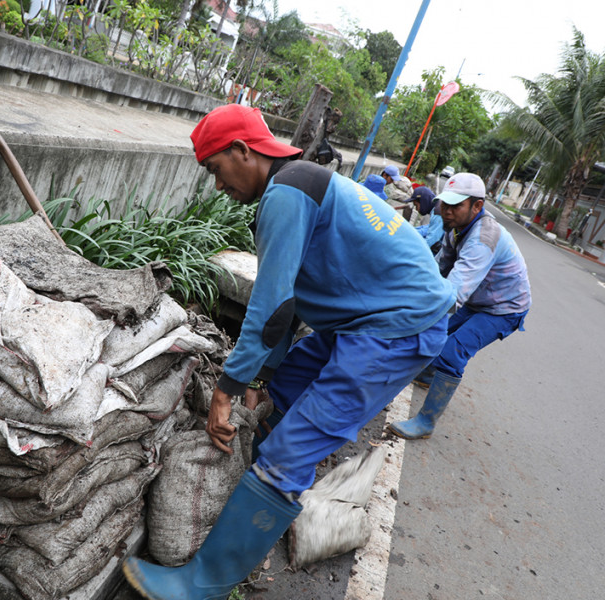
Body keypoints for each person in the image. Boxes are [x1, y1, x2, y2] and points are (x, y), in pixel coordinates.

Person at [122, 103, 456, 600]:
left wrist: (226, 389)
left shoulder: (288, 191)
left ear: (242, 150)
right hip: (365, 320)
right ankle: (250, 501)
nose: (218, 185)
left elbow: (272, 309)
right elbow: (290, 299)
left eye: (215, 169)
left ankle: (203, 583)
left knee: (292, 448)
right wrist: (261, 379)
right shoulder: (296, 182)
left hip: (395, 329)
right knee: (286, 386)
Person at [388, 172, 532, 440]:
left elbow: (453, 294)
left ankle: (425, 422)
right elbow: (440, 268)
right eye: (445, 203)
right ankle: (429, 375)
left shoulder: (483, 239)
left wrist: (406, 315)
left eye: (456, 205)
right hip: (479, 298)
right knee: (435, 330)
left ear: (477, 206)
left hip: (504, 308)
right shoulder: (455, 227)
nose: (446, 210)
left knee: (452, 351)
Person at [410, 186, 443, 254]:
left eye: (416, 205)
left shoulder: (437, 213)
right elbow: (429, 228)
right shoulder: (436, 208)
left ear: (423, 201)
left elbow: (431, 240)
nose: (416, 209)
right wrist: (412, 231)